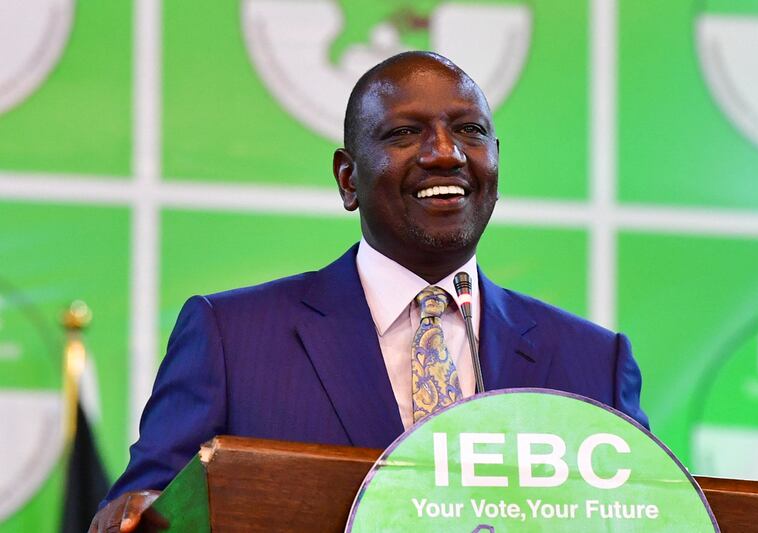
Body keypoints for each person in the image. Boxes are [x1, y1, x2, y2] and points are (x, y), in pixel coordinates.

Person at [90, 51, 648, 531]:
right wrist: (141, 514)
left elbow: (650, 515)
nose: (445, 153)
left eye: (469, 131)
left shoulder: (595, 364)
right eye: (405, 133)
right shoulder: (232, 337)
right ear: (348, 178)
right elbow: (147, 510)